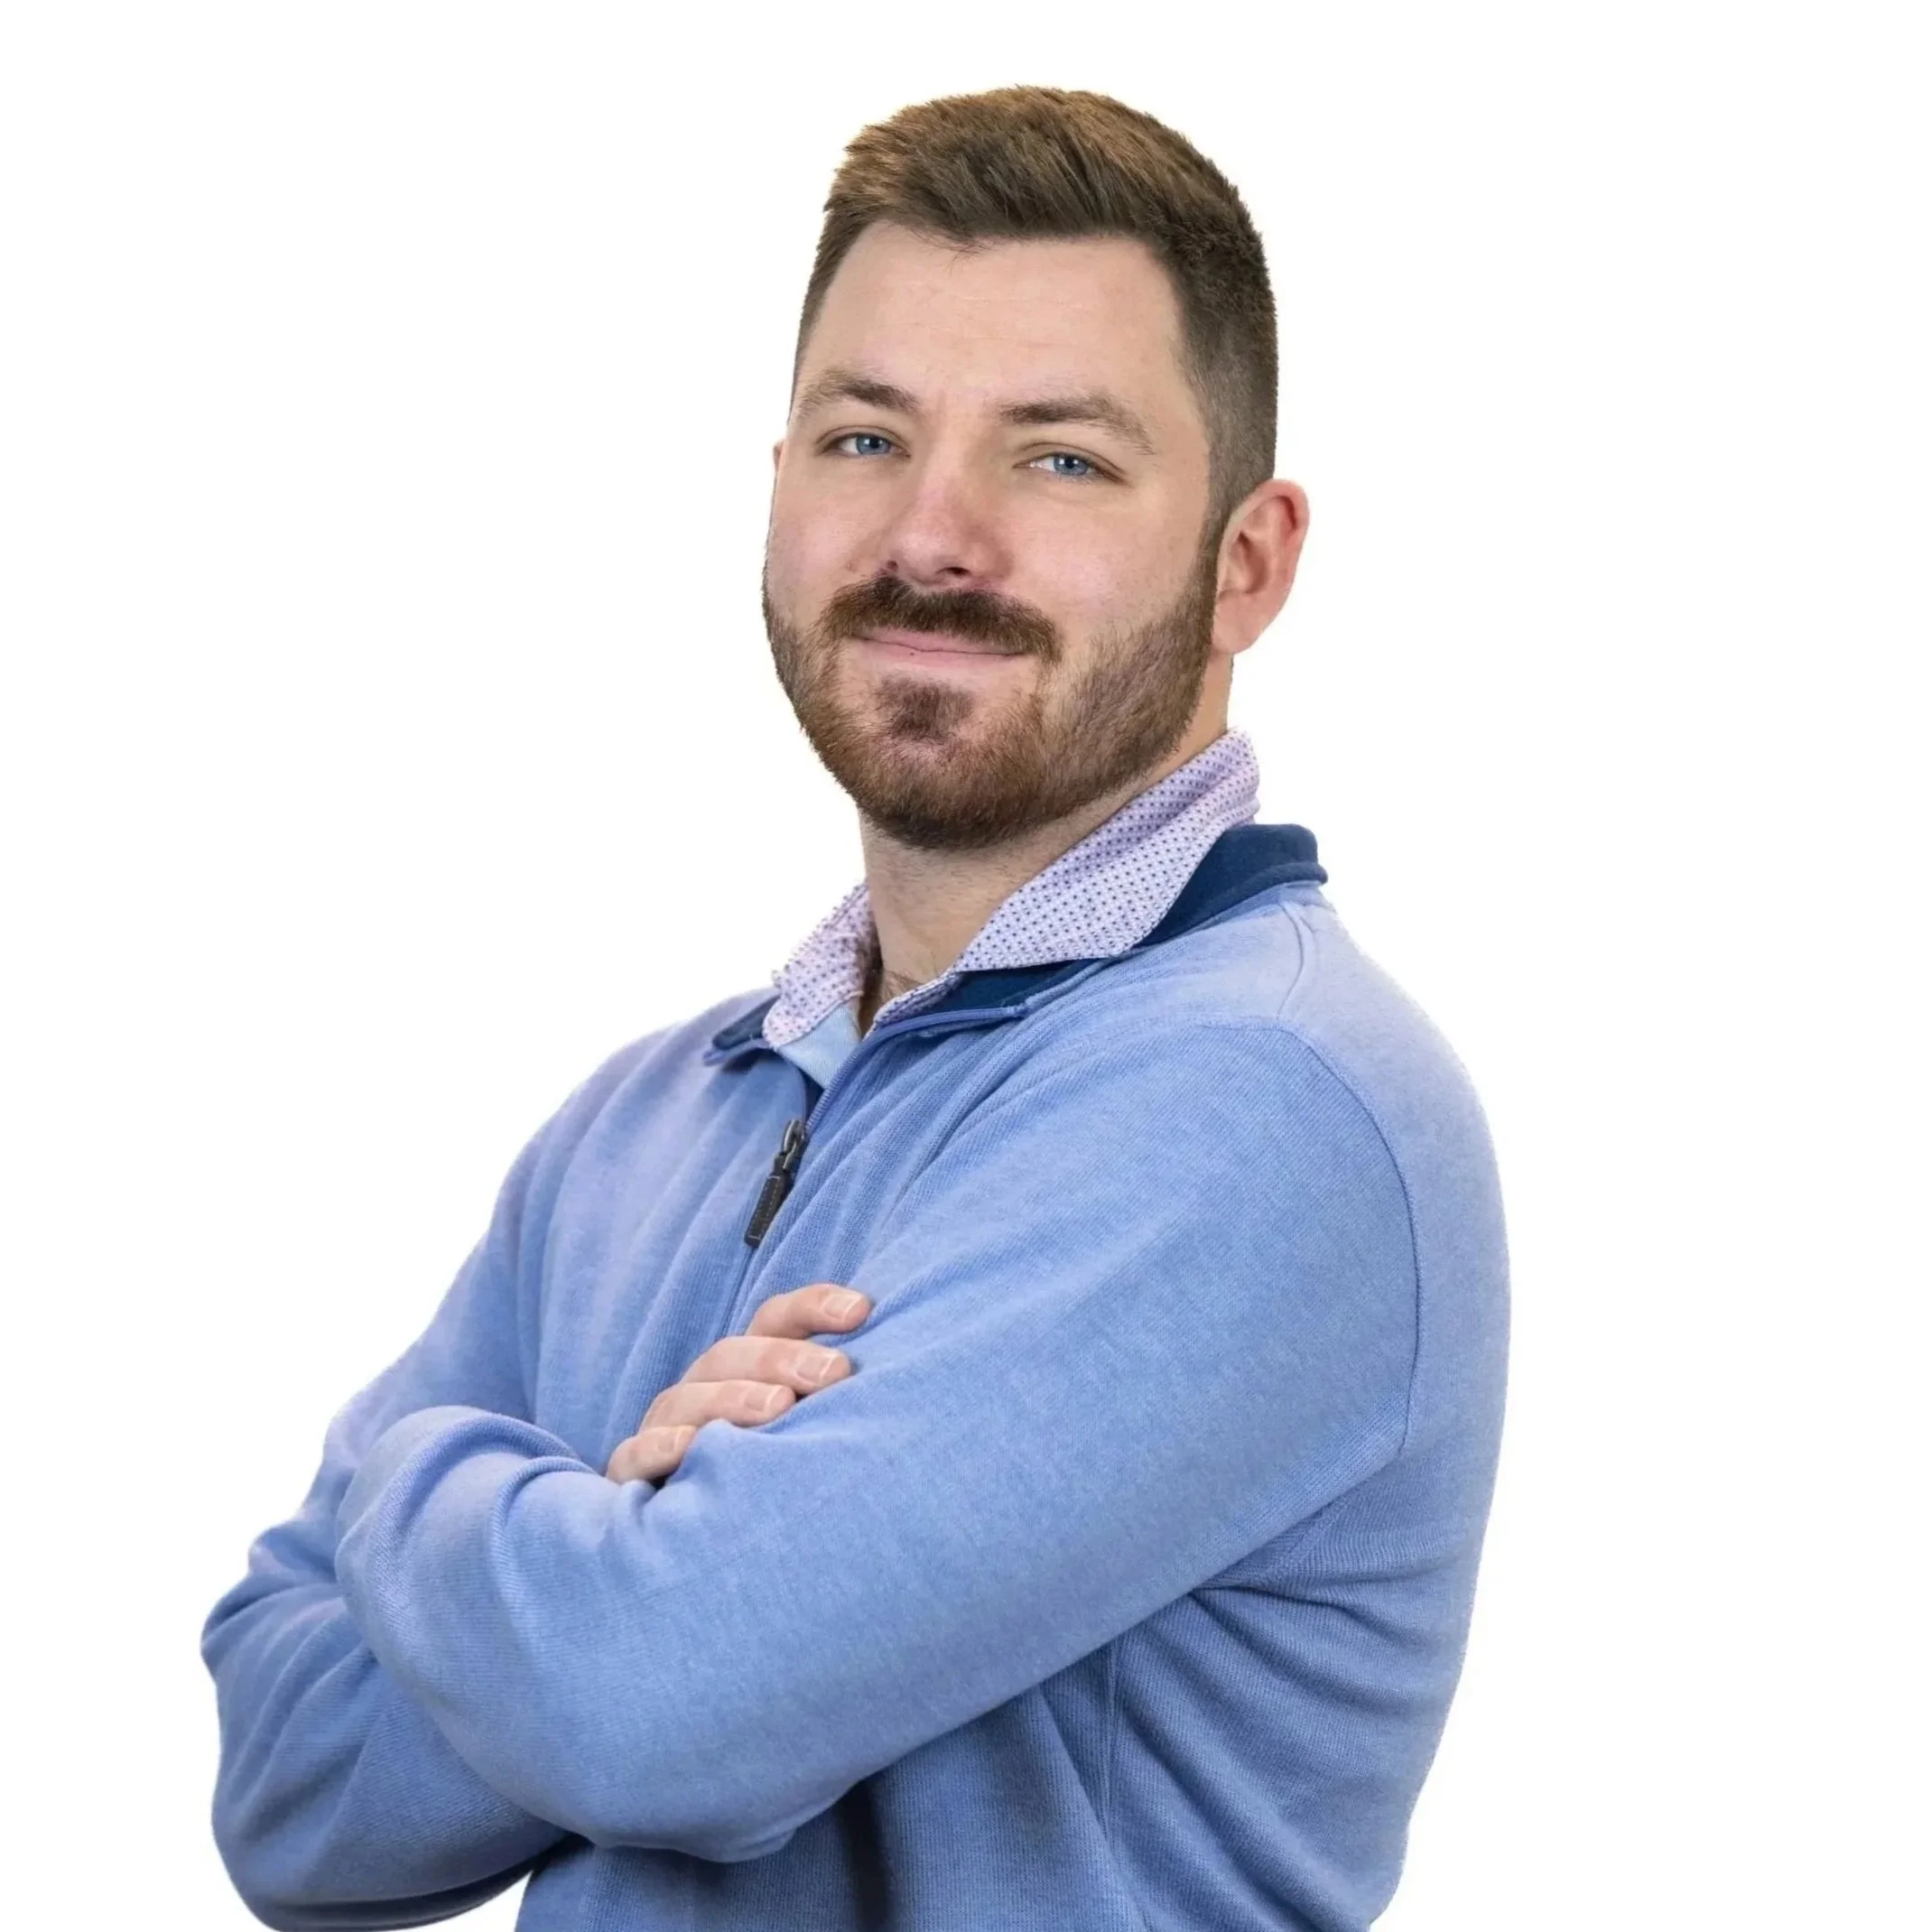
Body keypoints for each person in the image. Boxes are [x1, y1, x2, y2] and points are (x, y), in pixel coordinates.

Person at [201, 85, 1509, 1932]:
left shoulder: (1265, 1097)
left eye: (1057, 459)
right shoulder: (646, 1118)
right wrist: (593, 1516)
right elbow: (283, 1788)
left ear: (1245, 560)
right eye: (864, 435)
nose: (932, 534)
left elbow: (649, 1706)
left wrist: (411, 1475)